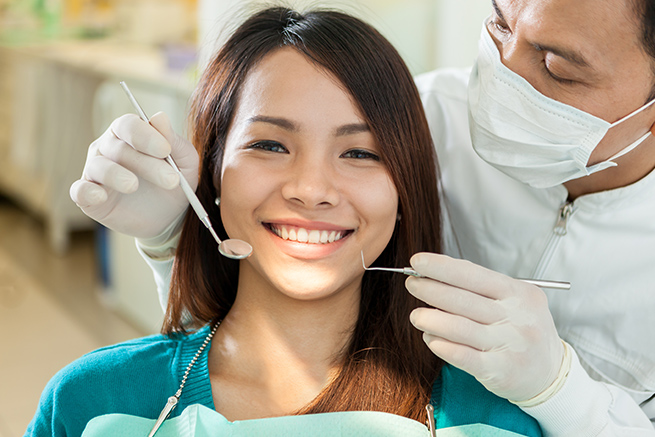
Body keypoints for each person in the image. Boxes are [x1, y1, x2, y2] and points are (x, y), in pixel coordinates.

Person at [68, 0, 655, 435]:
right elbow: (247, 305)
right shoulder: (427, 114)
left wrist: (563, 394)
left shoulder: (485, 423)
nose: (504, 73)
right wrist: (178, 238)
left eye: (556, 65)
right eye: (499, 24)